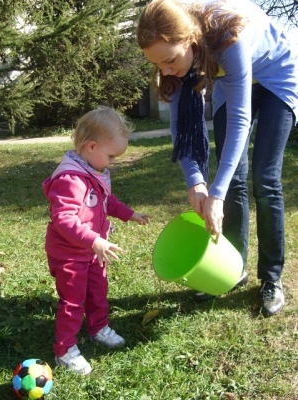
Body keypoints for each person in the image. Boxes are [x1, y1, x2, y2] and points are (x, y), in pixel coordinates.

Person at [137, 0, 298, 316]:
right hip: (230, 81)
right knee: (233, 177)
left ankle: (271, 278)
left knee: (264, 178)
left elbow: (240, 119)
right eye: (158, 65)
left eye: (169, 60)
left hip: (277, 76)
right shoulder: (178, 61)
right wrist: (196, 182)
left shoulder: (227, 37)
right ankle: (232, 268)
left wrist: (216, 194)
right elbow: (181, 127)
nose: (166, 70)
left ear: (189, 39)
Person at [42, 106, 151, 374]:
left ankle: (98, 327)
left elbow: (106, 201)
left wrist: (130, 214)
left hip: (91, 250)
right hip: (70, 254)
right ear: (91, 146)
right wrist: (93, 239)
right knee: (72, 302)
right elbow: (64, 219)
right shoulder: (70, 179)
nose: (113, 162)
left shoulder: (93, 171)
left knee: (98, 291)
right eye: (112, 156)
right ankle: (65, 349)